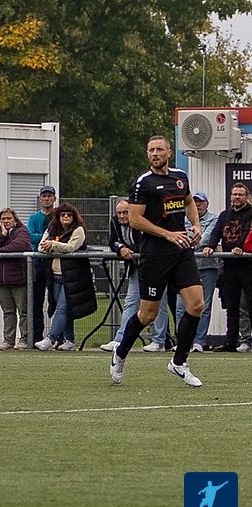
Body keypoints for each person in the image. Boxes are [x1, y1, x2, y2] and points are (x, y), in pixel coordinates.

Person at [110, 135, 205, 387]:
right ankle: (120, 352)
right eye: (151, 150)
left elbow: (188, 202)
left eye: (159, 149)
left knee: (196, 305)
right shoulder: (143, 183)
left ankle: (179, 362)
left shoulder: (180, 177)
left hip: (181, 251)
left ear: (169, 153)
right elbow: (135, 219)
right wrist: (167, 234)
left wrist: (196, 225)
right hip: (155, 255)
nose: (155, 153)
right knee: (148, 314)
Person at [101, 199, 170, 352]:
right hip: (136, 267)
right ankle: (120, 339)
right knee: (130, 302)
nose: (122, 216)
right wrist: (120, 248)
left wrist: (129, 249)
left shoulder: (142, 221)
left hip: (156, 267)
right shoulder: (115, 222)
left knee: (158, 304)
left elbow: (147, 243)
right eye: (119, 213)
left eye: (125, 212)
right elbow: (112, 241)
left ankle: (159, 341)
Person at [34, 204, 97, 351]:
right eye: (63, 215)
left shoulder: (78, 230)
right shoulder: (52, 228)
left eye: (69, 214)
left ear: (74, 216)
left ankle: (51, 338)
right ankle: (69, 340)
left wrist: (53, 245)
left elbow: (71, 247)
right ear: (58, 217)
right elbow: (40, 247)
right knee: (62, 309)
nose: (66, 217)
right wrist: (50, 246)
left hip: (73, 276)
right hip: (55, 275)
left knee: (62, 308)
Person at [201, 183, 252, 352]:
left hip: (247, 265)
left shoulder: (250, 213)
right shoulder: (225, 214)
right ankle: (231, 341)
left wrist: (240, 247)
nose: (237, 197)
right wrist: (210, 246)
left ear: (247, 197)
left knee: (249, 303)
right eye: (234, 194)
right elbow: (216, 232)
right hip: (229, 264)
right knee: (231, 305)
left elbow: (247, 232)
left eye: (240, 194)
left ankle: (248, 340)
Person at [0, 208, 31, 350]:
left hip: (18, 279)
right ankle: (8, 340)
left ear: (15, 219)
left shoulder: (22, 231)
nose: (6, 221)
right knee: (8, 312)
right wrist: (2, 236)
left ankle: (25, 339)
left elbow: (19, 246)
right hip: (1, 279)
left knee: (23, 311)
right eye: (3, 219)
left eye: (9, 218)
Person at [180, 192, 218, 352]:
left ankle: (198, 342)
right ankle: (183, 342)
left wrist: (187, 241)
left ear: (207, 203)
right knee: (181, 306)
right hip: (185, 267)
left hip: (207, 267)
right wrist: (189, 240)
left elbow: (205, 238)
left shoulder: (213, 219)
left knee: (203, 305)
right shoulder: (182, 219)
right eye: (194, 202)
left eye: (201, 202)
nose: (197, 205)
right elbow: (180, 238)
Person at [27, 185, 56, 346]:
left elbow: (59, 236)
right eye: (44, 196)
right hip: (38, 262)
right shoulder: (34, 218)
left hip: (54, 262)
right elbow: (30, 236)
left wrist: (50, 240)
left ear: (54, 199)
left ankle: (57, 337)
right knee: (36, 301)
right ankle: (36, 337)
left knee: (56, 299)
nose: (46, 199)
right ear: (40, 199)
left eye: (49, 196)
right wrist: (47, 238)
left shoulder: (58, 216)